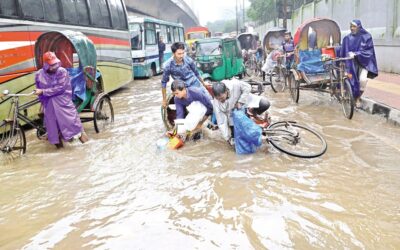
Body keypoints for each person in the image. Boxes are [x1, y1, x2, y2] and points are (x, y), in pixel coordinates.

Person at [34, 51, 88, 148]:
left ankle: (87, 146)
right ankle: (60, 151)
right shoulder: (39, 74)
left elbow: (60, 88)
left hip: (63, 104)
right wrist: (42, 102)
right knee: (53, 130)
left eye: (55, 64)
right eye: (51, 65)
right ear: (45, 65)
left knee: (74, 126)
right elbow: (39, 91)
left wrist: (43, 91)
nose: (54, 67)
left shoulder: (62, 71)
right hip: (49, 105)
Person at [212, 80, 270, 145]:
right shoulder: (216, 103)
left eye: (222, 98)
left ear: (226, 91)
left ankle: (252, 112)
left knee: (265, 104)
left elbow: (248, 87)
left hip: (245, 101)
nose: (220, 100)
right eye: (218, 98)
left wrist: (240, 101)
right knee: (236, 139)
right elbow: (221, 121)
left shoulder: (234, 84)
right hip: (232, 114)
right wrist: (227, 138)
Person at [340, 19, 378, 108]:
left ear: (359, 27)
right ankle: (349, 96)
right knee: (349, 80)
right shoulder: (347, 38)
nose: (352, 28)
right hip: (351, 64)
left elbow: (368, 51)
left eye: (354, 26)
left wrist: (356, 54)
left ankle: (357, 98)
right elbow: (343, 51)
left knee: (362, 80)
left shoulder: (367, 37)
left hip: (363, 63)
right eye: (351, 26)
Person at [161, 42, 209, 108]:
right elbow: (164, 82)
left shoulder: (188, 60)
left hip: (195, 84)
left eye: (183, 53)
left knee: (208, 101)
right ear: (173, 53)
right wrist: (164, 100)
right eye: (179, 54)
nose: (181, 56)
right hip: (183, 89)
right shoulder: (168, 65)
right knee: (190, 108)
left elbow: (196, 73)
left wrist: (204, 84)